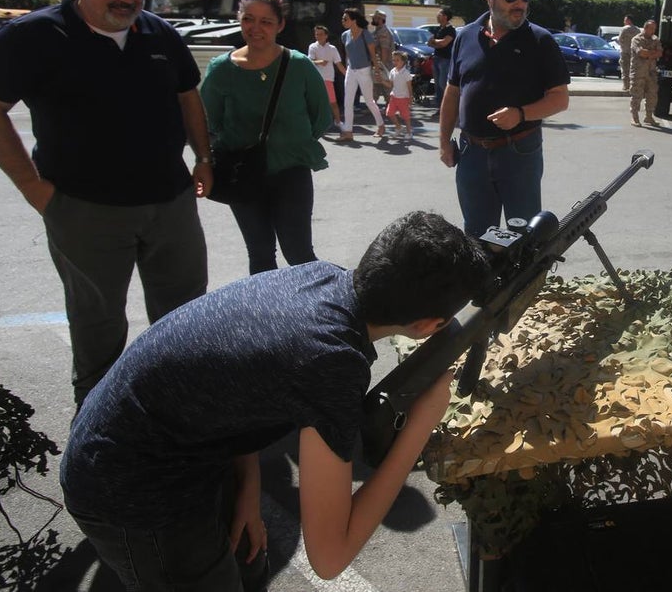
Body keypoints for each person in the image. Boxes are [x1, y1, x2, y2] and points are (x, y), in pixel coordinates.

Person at [60, 210, 491, 588]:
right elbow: (329, 558)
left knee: (246, 567)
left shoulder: (322, 276)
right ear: (428, 326)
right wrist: (421, 423)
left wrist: (248, 487)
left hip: (154, 445)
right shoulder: (331, 361)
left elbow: (236, 386)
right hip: (132, 491)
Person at [0, 0, 210, 408]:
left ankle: (180, 412)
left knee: (185, 317)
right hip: (85, 209)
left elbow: (188, 95)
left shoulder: (159, 33)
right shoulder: (32, 37)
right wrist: (31, 187)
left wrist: (204, 158)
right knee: (98, 326)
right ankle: (98, 427)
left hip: (170, 203)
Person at [201, 0, 333, 275]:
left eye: (266, 21)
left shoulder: (299, 66)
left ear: (280, 25)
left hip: (291, 172)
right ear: (239, 19)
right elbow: (211, 121)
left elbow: (322, 116)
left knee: (299, 254)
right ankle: (268, 307)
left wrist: (290, 142)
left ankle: (340, 297)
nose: (256, 28)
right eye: (248, 19)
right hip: (243, 174)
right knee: (260, 255)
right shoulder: (221, 69)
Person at [438, 0, 571, 237]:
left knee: (523, 237)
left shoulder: (541, 41)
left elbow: (560, 99)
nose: (519, 4)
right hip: (471, 154)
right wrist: (444, 143)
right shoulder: (465, 37)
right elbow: (452, 93)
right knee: (477, 235)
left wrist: (520, 114)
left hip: (519, 154)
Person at [336, 8, 383, 142]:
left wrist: (377, 70)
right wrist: (347, 70)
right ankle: (348, 132)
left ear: (354, 20)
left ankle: (381, 125)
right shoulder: (345, 35)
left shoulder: (365, 34)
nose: (343, 21)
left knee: (369, 101)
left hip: (364, 70)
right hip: (351, 70)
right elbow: (347, 54)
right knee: (347, 102)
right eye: (342, 19)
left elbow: (373, 54)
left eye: (345, 19)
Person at [308, 24, 343, 127]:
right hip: (316, 79)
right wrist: (320, 61)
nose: (318, 36)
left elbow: (339, 64)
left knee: (332, 102)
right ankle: (315, 122)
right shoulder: (312, 46)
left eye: (320, 34)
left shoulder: (332, 48)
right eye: (317, 34)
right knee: (315, 102)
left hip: (328, 79)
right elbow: (310, 61)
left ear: (326, 36)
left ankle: (338, 122)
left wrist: (347, 75)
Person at [630, 19, 662, 126]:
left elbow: (660, 53)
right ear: (645, 28)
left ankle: (649, 117)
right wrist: (652, 53)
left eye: (654, 29)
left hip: (651, 72)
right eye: (651, 28)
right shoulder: (636, 39)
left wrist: (648, 53)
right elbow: (640, 52)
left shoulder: (655, 39)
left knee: (652, 95)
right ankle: (635, 117)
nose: (653, 31)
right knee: (637, 95)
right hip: (638, 72)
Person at [428, 7, 456, 113]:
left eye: (439, 14)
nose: (437, 16)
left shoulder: (451, 30)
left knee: (443, 84)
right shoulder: (438, 29)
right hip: (436, 59)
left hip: (445, 60)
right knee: (437, 85)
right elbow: (429, 43)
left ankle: (450, 108)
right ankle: (440, 108)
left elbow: (444, 43)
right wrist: (436, 43)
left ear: (445, 16)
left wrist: (435, 42)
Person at [387, 50, 414, 141]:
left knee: (405, 116)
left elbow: (409, 87)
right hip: (394, 97)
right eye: (393, 60)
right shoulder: (392, 71)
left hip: (403, 98)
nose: (395, 62)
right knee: (389, 113)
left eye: (397, 60)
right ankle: (398, 127)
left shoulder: (406, 73)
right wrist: (382, 81)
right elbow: (390, 85)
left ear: (403, 61)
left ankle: (409, 132)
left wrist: (410, 97)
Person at [371, 9, 396, 104]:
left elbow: (384, 50)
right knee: (374, 91)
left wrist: (381, 67)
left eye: (375, 18)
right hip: (378, 65)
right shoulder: (377, 31)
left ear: (380, 19)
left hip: (384, 66)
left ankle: (390, 109)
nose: (373, 19)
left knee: (387, 91)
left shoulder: (383, 32)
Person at [617, 14, 640, 92]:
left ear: (629, 20)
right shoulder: (637, 30)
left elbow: (620, 39)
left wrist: (623, 45)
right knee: (633, 69)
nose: (624, 22)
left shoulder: (624, 29)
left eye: (625, 20)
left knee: (625, 69)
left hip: (625, 51)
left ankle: (626, 86)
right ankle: (633, 85)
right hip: (634, 53)